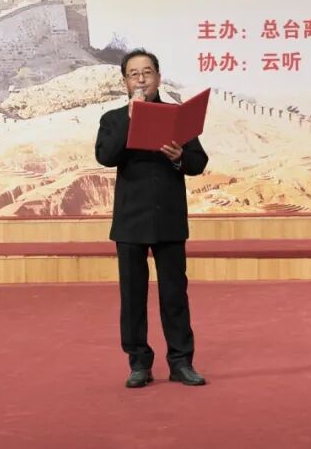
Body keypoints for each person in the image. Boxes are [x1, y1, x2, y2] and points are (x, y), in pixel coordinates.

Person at [95, 49, 209, 388]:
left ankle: (181, 362)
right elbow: (106, 156)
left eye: (147, 72)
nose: (141, 79)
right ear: (125, 82)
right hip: (130, 220)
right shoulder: (113, 119)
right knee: (133, 297)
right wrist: (132, 117)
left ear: (158, 77)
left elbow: (198, 163)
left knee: (175, 294)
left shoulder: (177, 116)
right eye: (134, 74)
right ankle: (139, 363)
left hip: (168, 218)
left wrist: (179, 157)